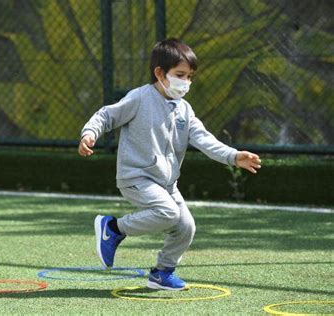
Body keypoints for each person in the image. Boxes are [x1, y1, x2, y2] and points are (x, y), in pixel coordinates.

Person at [78, 38, 261, 291]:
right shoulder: (140, 98)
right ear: (160, 73)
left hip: (167, 184)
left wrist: (233, 156)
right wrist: (90, 133)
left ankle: (162, 273)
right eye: (180, 75)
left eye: (189, 77)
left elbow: (205, 139)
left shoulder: (185, 110)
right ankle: (113, 228)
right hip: (137, 177)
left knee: (186, 227)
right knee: (168, 213)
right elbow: (107, 115)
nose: (186, 82)